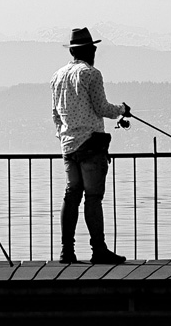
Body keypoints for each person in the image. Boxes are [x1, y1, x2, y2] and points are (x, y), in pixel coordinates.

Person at [51, 27, 130, 264]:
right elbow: (101, 108)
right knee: (93, 198)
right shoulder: (91, 74)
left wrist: (64, 138)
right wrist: (122, 111)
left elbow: (55, 115)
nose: (95, 51)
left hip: (68, 146)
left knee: (71, 195)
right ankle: (99, 250)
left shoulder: (57, 76)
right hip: (91, 144)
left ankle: (67, 251)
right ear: (88, 50)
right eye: (93, 48)